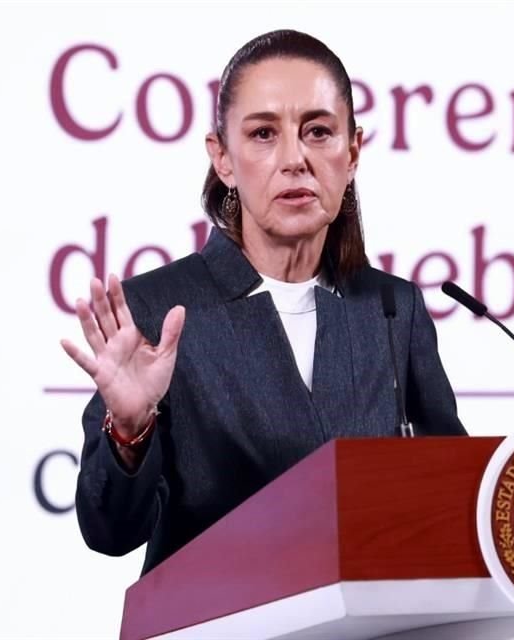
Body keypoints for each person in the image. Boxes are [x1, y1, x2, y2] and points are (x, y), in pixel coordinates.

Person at [61, 29, 467, 576]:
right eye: (263, 134)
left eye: (318, 131)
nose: (295, 158)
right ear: (222, 159)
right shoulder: (157, 311)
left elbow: (454, 492)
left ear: (352, 153)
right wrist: (130, 430)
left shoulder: (394, 309)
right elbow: (109, 533)